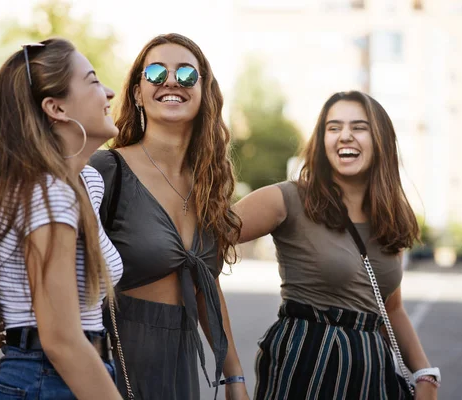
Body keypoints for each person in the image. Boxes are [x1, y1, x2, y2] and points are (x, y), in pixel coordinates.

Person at [235, 91, 440, 400]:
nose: (345, 136)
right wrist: (231, 373)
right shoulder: (287, 199)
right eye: (333, 127)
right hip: (306, 368)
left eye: (359, 127)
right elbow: (201, 242)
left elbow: (391, 307)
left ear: (380, 139)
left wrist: (425, 374)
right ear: (322, 141)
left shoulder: (390, 218)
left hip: (372, 376)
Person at [0, 38, 124, 400]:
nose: (108, 91)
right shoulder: (49, 193)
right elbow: (60, 339)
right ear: (56, 108)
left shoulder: (81, 183)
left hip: (62, 375)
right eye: (92, 80)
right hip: (50, 378)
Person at [89, 33, 249, 400]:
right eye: (157, 72)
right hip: (114, 364)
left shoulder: (209, 183)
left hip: (180, 366)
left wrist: (234, 377)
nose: (172, 81)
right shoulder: (106, 169)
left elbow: (205, 286)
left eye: (187, 74)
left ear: (204, 90)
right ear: (136, 93)